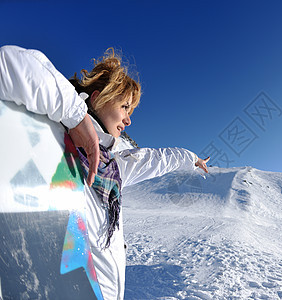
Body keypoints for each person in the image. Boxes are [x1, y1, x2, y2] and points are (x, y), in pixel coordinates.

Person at [0, 45, 209, 299]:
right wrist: (76, 117)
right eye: (124, 107)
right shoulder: (57, 135)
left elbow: (157, 159)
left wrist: (192, 159)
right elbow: (9, 63)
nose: (129, 119)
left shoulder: (113, 168)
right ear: (97, 98)